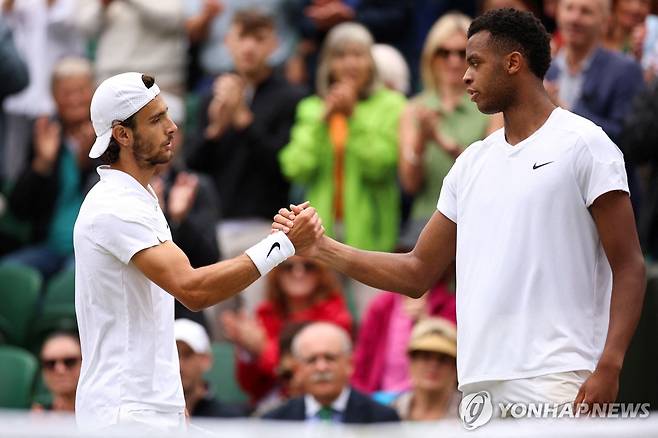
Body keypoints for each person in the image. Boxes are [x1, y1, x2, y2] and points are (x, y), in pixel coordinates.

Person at [275, 7, 646, 418]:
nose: (464, 75)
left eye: (474, 62)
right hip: (477, 385)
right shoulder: (470, 164)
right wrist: (322, 248)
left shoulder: (585, 143)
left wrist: (610, 364)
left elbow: (629, 265)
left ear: (513, 63)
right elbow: (417, 271)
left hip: (558, 377)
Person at [73, 72, 322, 431]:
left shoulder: (136, 198)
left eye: (167, 115)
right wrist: (282, 244)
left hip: (146, 410)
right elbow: (193, 290)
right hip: (126, 414)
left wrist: (172, 404)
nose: (172, 127)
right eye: (156, 119)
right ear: (122, 134)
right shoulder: (115, 206)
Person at [187, 9, 307, 319]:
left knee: (261, 322)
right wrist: (215, 128)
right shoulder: (211, 95)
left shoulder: (291, 98)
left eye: (259, 38)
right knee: (217, 327)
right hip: (217, 228)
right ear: (228, 42)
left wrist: (243, 120)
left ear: (274, 45)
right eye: (242, 37)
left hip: (266, 227)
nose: (249, 47)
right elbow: (194, 164)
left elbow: (282, 168)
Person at [279, 22, 405, 314]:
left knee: (373, 323)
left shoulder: (391, 104)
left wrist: (353, 118)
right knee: (327, 323)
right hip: (322, 239)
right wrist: (321, 122)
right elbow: (295, 167)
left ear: (371, 63)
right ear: (327, 64)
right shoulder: (311, 107)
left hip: (372, 241)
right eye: (340, 55)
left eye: (358, 54)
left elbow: (381, 166)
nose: (349, 63)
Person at [399, 12, 500, 243]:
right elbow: (409, 185)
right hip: (426, 221)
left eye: (462, 53)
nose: (454, 61)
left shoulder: (491, 107)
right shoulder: (413, 109)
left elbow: (492, 172)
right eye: (444, 52)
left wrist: (443, 142)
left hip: (477, 219)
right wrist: (421, 141)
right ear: (430, 57)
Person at [2, 57, 97, 280]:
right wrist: (42, 164)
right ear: (54, 97)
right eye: (66, 93)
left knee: (73, 280)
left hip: (91, 250)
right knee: (7, 274)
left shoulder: (110, 136)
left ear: (93, 92)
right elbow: (18, 208)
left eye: (81, 91)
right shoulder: (46, 133)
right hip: (49, 246)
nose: (74, 99)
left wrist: (88, 162)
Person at [221, 256, 352, 404]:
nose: (298, 273)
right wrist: (246, 350)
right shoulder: (265, 313)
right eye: (288, 267)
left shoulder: (335, 313)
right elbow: (251, 386)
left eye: (308, 266)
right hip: (272, 408)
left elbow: (310, 375)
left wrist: (262, 348)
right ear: (276, 272)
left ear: (321, 272)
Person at [262, 322, 400, 423]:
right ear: (298, 369)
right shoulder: (276, 422)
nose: (321, 367)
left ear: (349, 364)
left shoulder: (382, 419)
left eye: (330, 358)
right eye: (311, 360)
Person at [351, 280, 456, 395]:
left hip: (427, 398)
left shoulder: (449, 305)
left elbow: (451, 353)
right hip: (380, 397)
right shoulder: (383, 304)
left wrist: (426, 323)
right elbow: (362, 359)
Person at [174, 318, 248, 418]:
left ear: (206, 360)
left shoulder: (228, 419)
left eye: (188, 354)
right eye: (173, 356)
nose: (180, 364)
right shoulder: (152, 418)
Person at [389, 317, 460, 421]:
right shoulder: (393, 410)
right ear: (411, 362)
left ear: (455, 367)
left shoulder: (470, 413)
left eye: (443, 359)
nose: (433, 365)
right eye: (425, 356)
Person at [33, 331, 82, 413]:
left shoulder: (103, 415)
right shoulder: (36, 417)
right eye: (50, 364)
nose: (60, 370)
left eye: (69, 362)